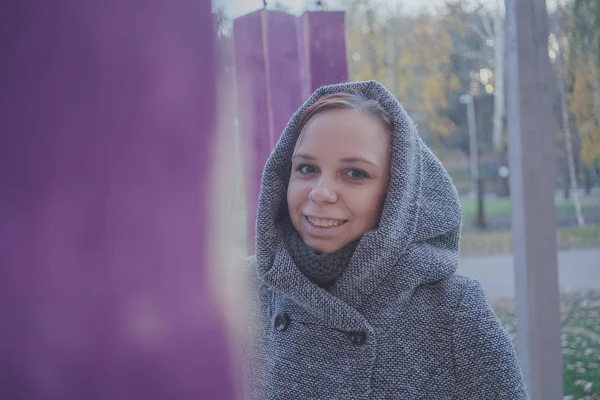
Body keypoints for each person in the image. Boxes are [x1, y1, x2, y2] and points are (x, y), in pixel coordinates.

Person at [241, 80, 529, 399]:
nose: (320, 192)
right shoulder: (238, 292)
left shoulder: (454, 312)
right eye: (307, 168)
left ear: (396, 194)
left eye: (355, 174)